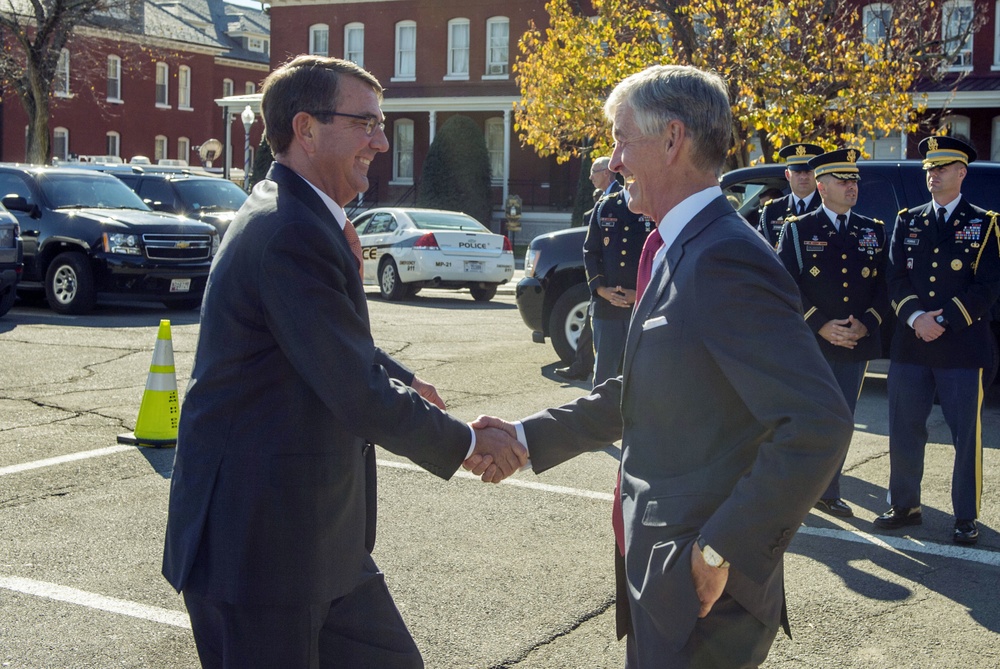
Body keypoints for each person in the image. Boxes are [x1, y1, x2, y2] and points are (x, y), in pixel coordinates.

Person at [470, 65, 853, 668]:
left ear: (672, 140)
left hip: (702, 588)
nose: (614, 159)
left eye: (623, 139)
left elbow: (817, 422)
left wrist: (721, 549)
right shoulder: (683, 245)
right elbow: (646, 390)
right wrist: (524, 436)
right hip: (668, 571)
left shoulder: (723, 256)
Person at [161, 55, 526, 669]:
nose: (381, 142)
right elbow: (353, 390)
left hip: (317, 541)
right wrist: (467, 442)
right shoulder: (289, 229)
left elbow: (317, 337)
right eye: (367, 123)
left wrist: (404, 378)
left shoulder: (297, 214)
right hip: (259, 549)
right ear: (305, 128)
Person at [874, 135, 1000, 546]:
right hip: (912, 344)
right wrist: (914, 317)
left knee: (966, 435)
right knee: (904, 427)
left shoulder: (985, 223)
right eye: (929, 168)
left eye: (942, 168)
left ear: (961, 173)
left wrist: (942, 319)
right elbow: (894, 278)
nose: (933, 175)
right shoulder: (908, 220)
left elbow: (987, 287)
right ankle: (905, 504)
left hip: (962, 347)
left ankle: (965, 516)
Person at [776, 148, 888, 519]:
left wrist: (866, 323)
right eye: (842, 181)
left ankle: (829, 491)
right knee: (807, 418)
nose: (851, 186)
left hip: (854, 343)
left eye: (854, 180)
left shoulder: (873, 229)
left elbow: (887, 287)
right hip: (811, 342)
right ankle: (797, 487)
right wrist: (820, 323)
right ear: (821, 186)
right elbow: (784, 284)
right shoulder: (797, 229)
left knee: (842, 419)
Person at [582, 156, 655, 385]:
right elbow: (590, 251)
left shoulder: (652, 208)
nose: (631, 181)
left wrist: (640, 293)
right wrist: (601, 289)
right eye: (627, 176)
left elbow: (661, 255)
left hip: (642, 307)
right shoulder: (606, 206)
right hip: (607, 308)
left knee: (640, 376)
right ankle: (602, 421)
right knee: (604, 376)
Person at [556, 166, 617, 381]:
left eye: (595, 171)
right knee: (589, 323)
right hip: (601, 279)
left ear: (607, 172)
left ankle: (582, 368)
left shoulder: (619, 195)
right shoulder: (604, 196)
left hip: (614, 279)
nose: (590, 177)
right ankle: (581, 367)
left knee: (594, 325)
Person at [757, 143, 824, 248]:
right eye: (797, 172)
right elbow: (762, 250)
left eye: (808, 171)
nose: (803, 177)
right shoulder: (772, 210)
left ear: (816, 174)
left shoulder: (828, 207)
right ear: (787, 175)